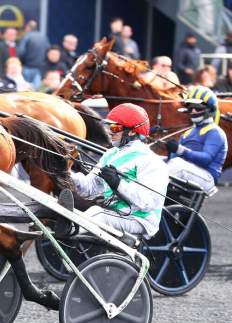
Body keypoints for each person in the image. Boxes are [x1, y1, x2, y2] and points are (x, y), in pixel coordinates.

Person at [71, 103, 169, 238]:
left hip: (140, 219)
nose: (111, 131)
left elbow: (148, 203)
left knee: (98, 214)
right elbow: (89, 190)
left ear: (133, 131)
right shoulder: (110, 154)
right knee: (92, 210)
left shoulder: (150, 160)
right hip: (115, 213)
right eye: (109, 126)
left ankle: (69, 229)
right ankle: (69, 225)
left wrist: (118, 184)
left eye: (116, 127)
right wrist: (67, 173)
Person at [165, 86, 228, 192]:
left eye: (198, 108)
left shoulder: (215, 133)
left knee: (176, 164)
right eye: (190, 108)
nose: (193, 111)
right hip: (188, 171)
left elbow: (206, 159)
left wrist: (180, 150)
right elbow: (173, 158)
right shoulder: (187, 133)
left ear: (210, 109)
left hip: (207, 178)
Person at [17, 19, 49, 89]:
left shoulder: (26, 36)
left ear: (28, 27)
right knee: (36, 91)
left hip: (27, 68)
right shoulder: (43, 37)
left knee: (25, 90)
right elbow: (48, 52)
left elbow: (20, 52)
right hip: (39, 68)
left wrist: (21, 63)